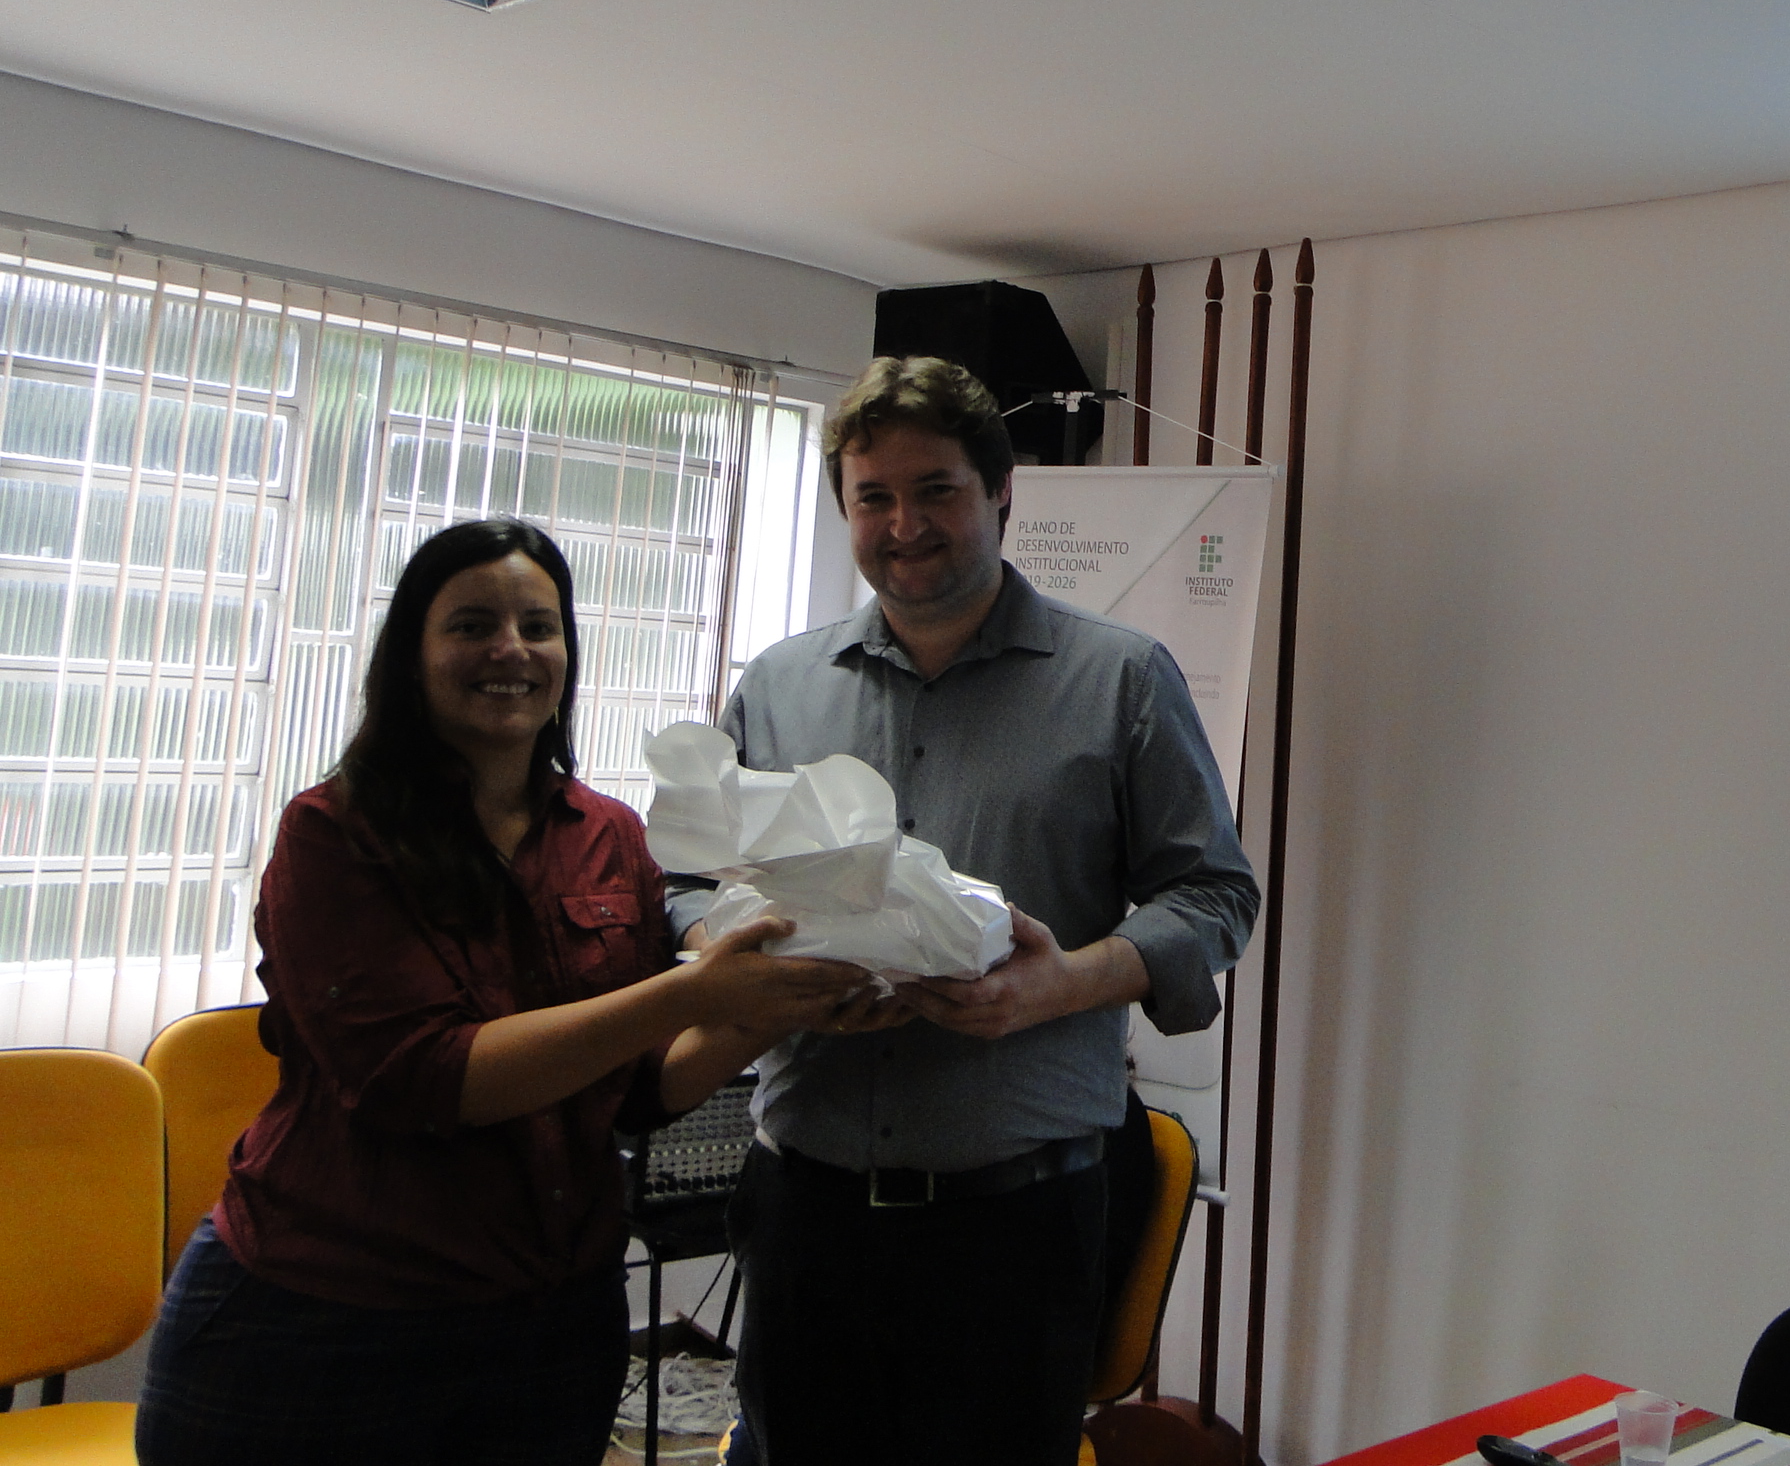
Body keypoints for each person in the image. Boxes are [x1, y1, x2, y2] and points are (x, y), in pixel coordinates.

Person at [137, 518, 866, 1466]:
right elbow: (424, 1078)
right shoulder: (335, 834)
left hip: (546, 1330)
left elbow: (639, 1088)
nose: (511, 650)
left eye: (539, 626)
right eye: (472, 625)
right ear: (413, 655)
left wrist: (776, 1011)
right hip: (323, 1324)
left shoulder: (610, 835)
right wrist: (693, 996)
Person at [684, 355, 1259, 1465]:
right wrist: (729, 954)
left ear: (1001, 492)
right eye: (874, 497)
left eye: (936, 490)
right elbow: (692, 883)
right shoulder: (778, 686)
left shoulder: (1122, 680)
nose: (905, 525)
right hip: (807, 1218)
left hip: (1015, 1230)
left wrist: (1064, 985)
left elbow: (1215, 893)